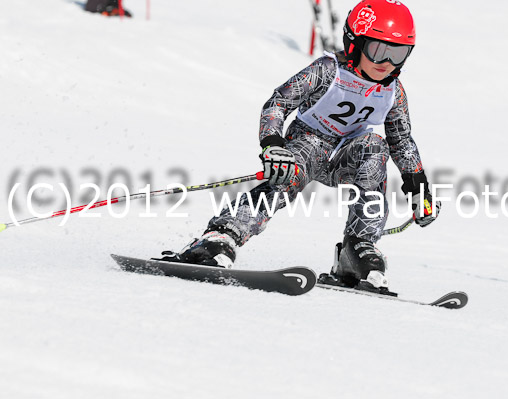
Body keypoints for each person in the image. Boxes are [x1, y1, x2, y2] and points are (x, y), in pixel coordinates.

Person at [164, 0, 440, 292]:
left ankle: (357, 250)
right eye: (378, 50)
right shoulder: (328, 70)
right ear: (355, 42)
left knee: (375, 146)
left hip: (346, 157)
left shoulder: (393, 91)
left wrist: (418, 186)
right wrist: (273, 145)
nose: (387, 63)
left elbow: (401, 139)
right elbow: (279, 103)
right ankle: (222, 236)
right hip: (307, 147)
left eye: (398, 54)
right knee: (289, 173)